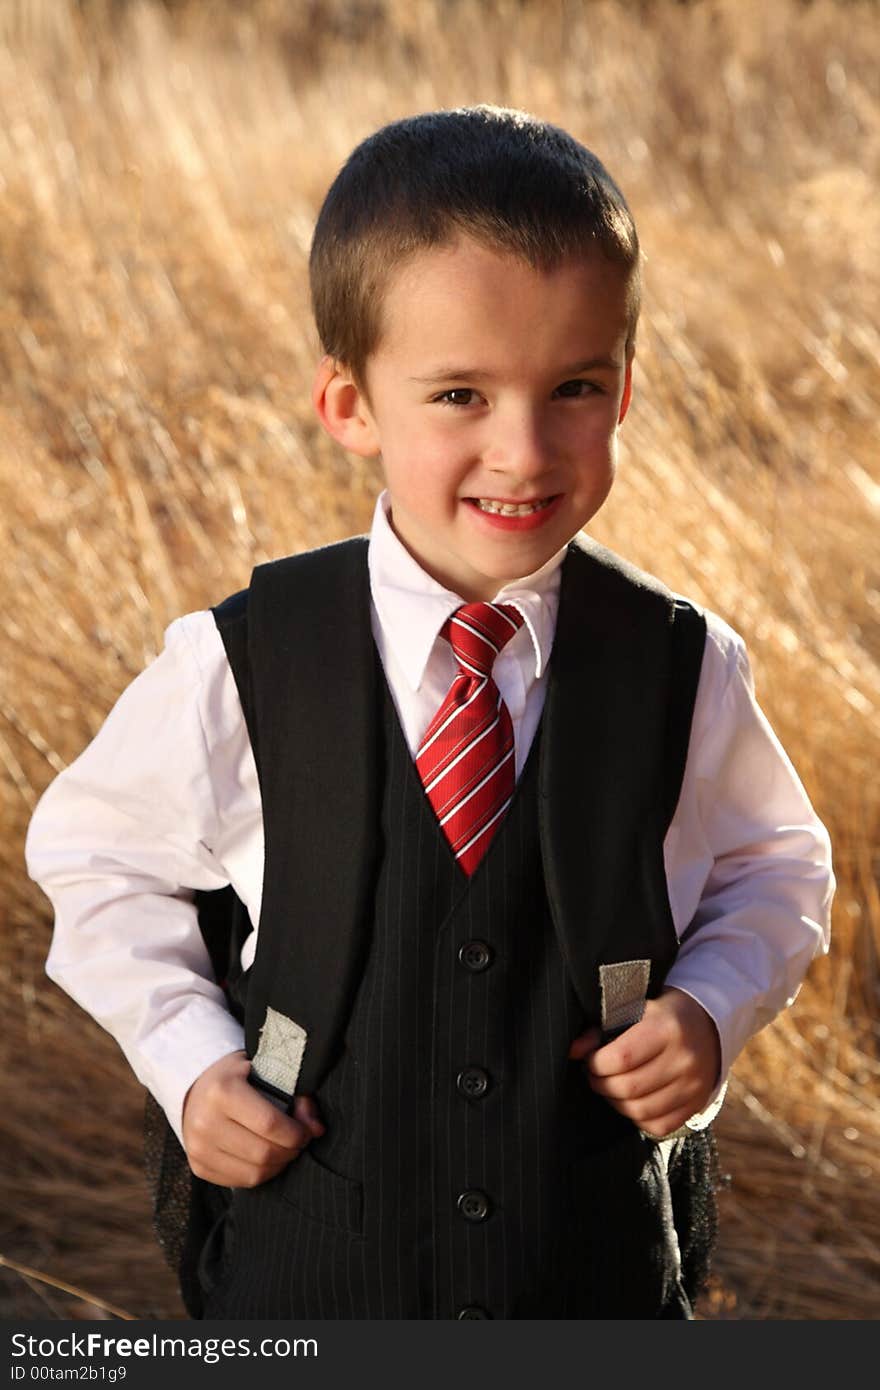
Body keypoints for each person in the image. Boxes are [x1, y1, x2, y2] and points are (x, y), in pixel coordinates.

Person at [25, 105, 834, 1320]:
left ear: (623, 391)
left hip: (588, 1274)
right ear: (350, 405)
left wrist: (710, 1008)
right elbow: (95, 861)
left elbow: (778, 866)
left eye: (572, 386)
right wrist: (193, 1067)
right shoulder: (244, 662)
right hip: (311, 1276)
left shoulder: (679, 665)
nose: (521, 450)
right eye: (459, 393)